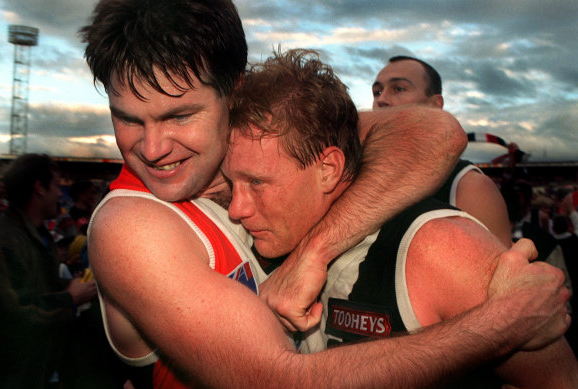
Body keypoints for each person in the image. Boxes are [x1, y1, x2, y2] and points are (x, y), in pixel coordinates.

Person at [80, 1, 570, 388]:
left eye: (178, 116)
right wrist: (501, 323)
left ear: (235, 93)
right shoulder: (131, 225)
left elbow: (436, 132)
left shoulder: (269, 141)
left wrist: (313, 252)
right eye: (127, 118)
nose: (152, 148)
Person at [224, 48, 577, 388]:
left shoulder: (437, 247)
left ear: (328, 169)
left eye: (257, 183)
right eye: (232, 182)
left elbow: (561, 380)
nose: (236, 209)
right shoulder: (276, 231)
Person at [371, 55, 512, 247]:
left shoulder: (469, 189)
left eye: (399, 88)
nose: (382, 99)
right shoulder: (352, 174)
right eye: (377, 91)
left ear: (435, 105)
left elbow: (500, 275)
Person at [0, 154, 98, 388]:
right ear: (39, 188)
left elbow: (41, 287)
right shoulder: (4, 241)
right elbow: (18, 312)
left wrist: (71, 286)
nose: (60, 193)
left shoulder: (38, 232)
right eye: (55, 185)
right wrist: (71, 297)